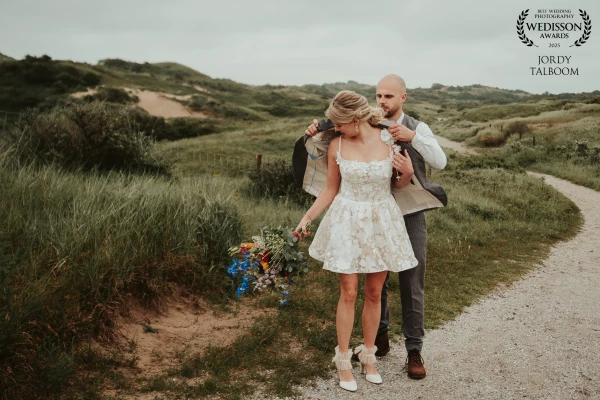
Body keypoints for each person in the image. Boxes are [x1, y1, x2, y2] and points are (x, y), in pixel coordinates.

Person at [302, 74, 448, 381]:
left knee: (399, 284)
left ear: (402, 98)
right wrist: (307, 218)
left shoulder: (404, 131)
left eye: (389, 97)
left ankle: (405, 351)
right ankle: (361, 351)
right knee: (360, 290)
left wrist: (409, 163)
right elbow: (327, 173)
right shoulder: (350, 136)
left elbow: (433, 164)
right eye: (378, 96)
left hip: (397, 215)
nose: (382, 101)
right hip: (355, 215)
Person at [295, 90, 418, 392]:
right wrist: (307, 218)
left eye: (339, 123)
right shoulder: (336, 143)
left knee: (375, 293)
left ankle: (369, 355)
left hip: (381, 219)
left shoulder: (389, 139)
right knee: (348, 292)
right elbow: (329, 189)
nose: (335, 128)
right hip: (347, 220)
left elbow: (400, 183)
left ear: (354, 119)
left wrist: (407, 173)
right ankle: (342, 360)